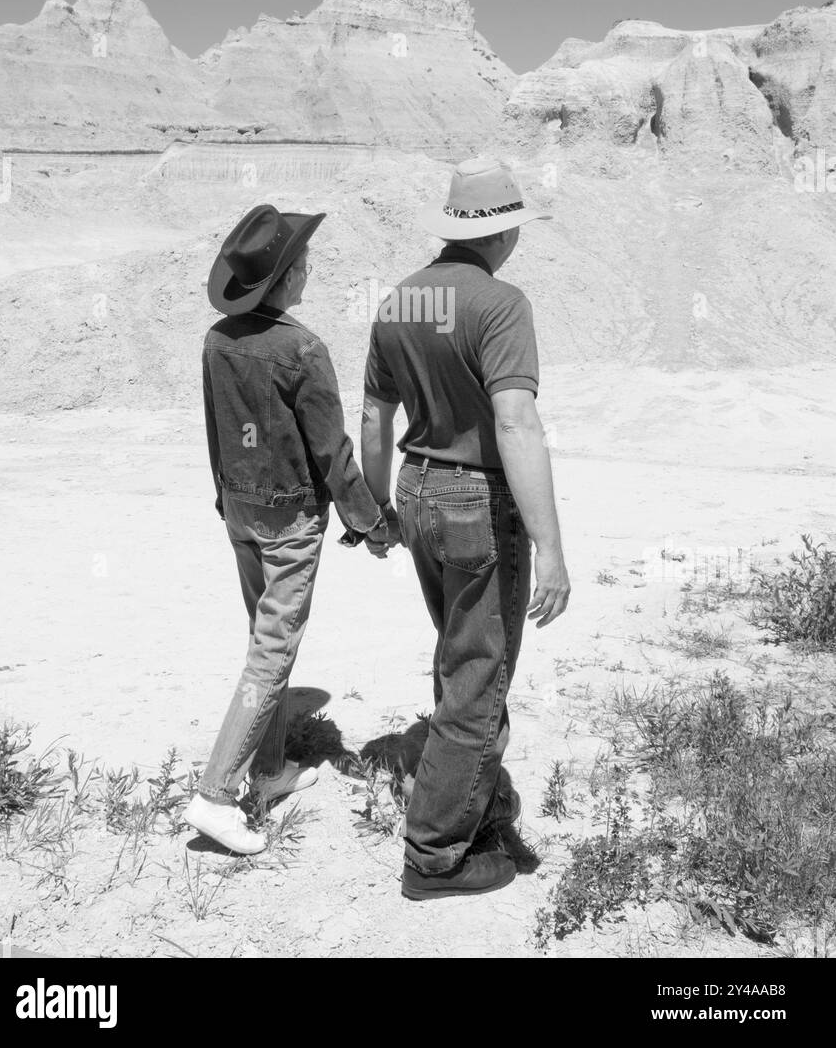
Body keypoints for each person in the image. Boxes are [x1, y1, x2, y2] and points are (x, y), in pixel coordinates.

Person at [360, 157, 571, 899]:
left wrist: (380, 505)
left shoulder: (398, 302)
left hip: (417, 491)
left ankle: (470, 798)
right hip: (476, 500)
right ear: (506, 231)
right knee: (479, 675)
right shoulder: (503, 304)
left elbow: (374, 416)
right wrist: (549, 544)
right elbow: (516, 421)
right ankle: (435, 855)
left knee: (460, 653)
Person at [184, 203, 390, 854]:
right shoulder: (303, 348)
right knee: (272, 654)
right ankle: (216, 797)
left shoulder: (218, 340)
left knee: (266, 641)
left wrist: (224, 499)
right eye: (302, 263)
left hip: (240, 510)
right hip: (290, 518)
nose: (309, 269)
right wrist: (369, 521)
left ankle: (270, 770)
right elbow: (331, 452)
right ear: (284, 277)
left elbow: (218, 431)